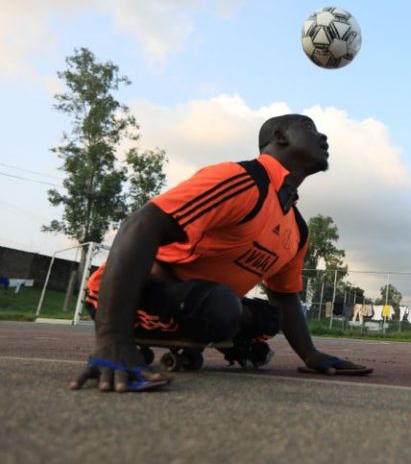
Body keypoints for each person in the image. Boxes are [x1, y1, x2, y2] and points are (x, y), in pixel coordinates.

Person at [70, 114, 372, 393]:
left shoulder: (297, 229)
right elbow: (140, 224)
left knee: (271, 317)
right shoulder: (241, 179)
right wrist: (112, 339)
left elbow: (284, 295)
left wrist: (311, 354)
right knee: (221, 306)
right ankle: (129, 336)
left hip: (202, 300)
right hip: (133, 295)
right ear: (280, 137)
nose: (323, 137)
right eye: (309, 127)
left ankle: (226, 336)